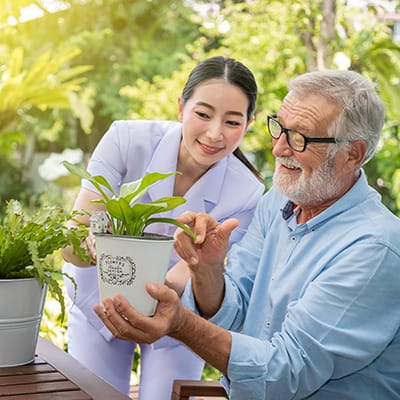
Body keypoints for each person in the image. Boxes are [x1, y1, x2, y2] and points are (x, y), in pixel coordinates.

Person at [94, 69, 400, 399]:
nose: (279, 149)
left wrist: (180, 323)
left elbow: (283, 374)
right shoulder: (279, 202)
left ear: (352, 154)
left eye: (300, 138)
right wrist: (208, 270)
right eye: (279, 128)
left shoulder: (374, 249)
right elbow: (235, 309)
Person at [61, 55, 265, 399]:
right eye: (203, 114)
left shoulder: (247, 192)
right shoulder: (126, 140)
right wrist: (92, 243)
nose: (215, 134)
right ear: (181, 108)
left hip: (174, 315)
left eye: (232, 121)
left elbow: (187, 277)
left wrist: (159, 303)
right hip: (97, 302)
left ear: (249, 124)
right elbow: (71, 244)